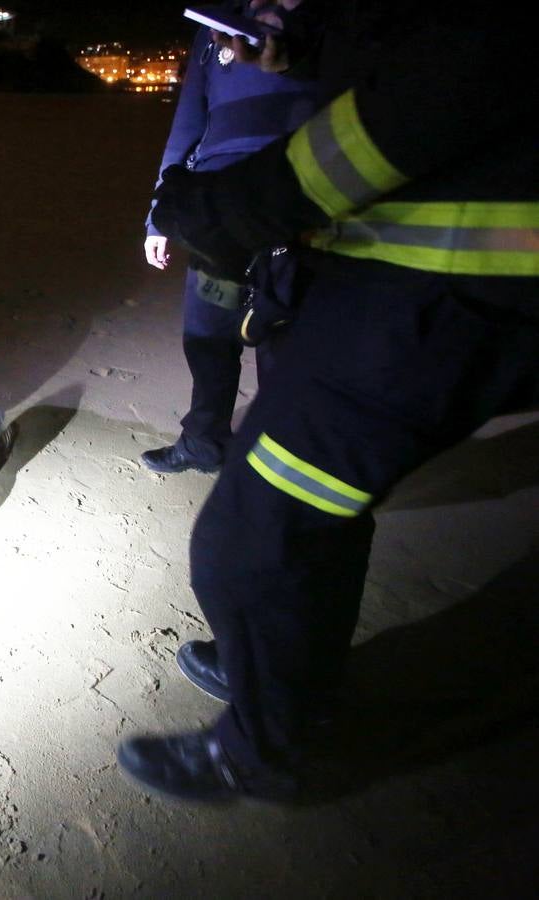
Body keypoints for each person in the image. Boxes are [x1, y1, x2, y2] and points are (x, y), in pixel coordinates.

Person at [116, 3, 538, 800]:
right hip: (392, 277)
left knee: (249, 535)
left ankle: (266, 755)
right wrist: (309, 49)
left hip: (444, 287)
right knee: (310, 510)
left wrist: (243, 203)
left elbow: (439, 91)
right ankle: (286, 672)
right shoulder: (259, 42)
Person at [139, 0, 321, 475]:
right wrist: (159, 217)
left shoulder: (333, 22)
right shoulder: (219, 27)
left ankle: (280, 457)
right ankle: (204, 442)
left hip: (299, 196)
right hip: (216, 213)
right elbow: (187, 121)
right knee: (206, 333)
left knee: (283, 338)